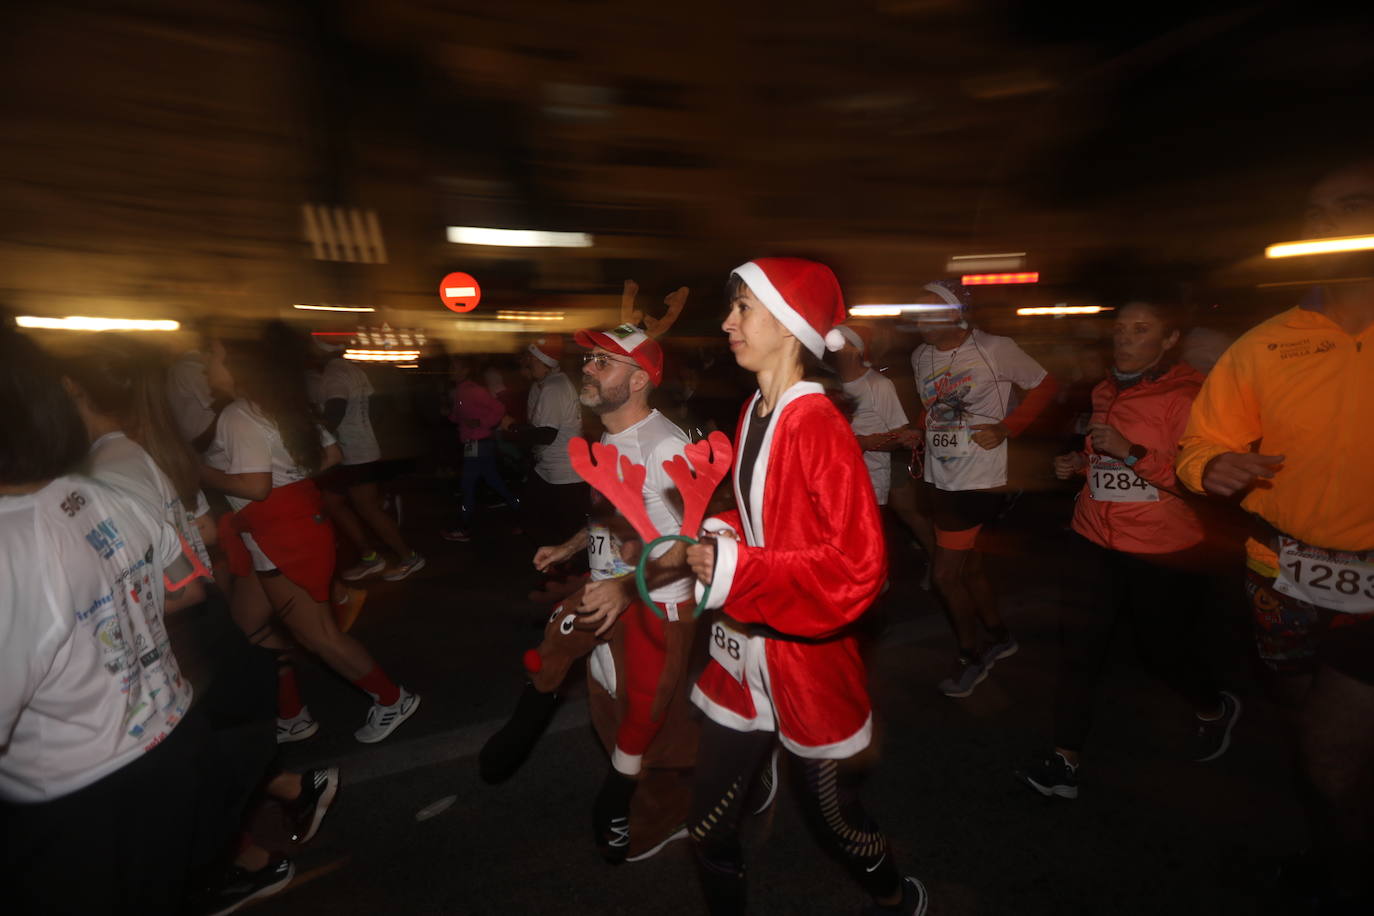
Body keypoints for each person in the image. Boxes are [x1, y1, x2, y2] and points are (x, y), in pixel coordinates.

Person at [61, 338, 340, 913]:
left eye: (217, 358)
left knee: (308, 644)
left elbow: (243, 502)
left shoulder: (120, 463)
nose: (210, 368)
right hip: (252, 560)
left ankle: (255, 843)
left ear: (75, 393)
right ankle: (292, 778)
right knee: (257, 673)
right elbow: (207, 533)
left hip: (206, 608)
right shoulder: (143, 450)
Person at [684, 258, 927, 915]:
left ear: (789, 326)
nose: (727, 321)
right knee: (705, 825)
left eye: (743, 308)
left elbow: (858, 568)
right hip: (742, 652)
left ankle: (895, 895)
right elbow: (771, 518)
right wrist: (721, 537)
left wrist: (736, 569)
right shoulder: (752, 409)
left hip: (805, 663)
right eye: (731, 308)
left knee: (836, 821)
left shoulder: (817, 425)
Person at [1176, 160, 1374, 912]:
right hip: (1278, 573)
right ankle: (1334, 848)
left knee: (1330, 754)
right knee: (1299, 720)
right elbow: (1199, 445)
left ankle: (1348, 880)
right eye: (1315, 212)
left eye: (1350, 206)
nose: (1327, 223)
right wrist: (1214, 463)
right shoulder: (1267, 342)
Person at [1, 329, 213, 913]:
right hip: (169, 744)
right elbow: (187, 585)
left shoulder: (11, 544)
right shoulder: (106, 493)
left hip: (80, 800)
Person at [1015, 301, 1242, 800]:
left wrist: (1131, 453)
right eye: (1120, 329)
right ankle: (1065, 759)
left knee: (1162, 651)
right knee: (1078, 648)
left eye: (1142, 329)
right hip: (1093, 536)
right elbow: (1105, 455)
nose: (1125, 338)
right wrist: (1079, 463)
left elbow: (1198, 478)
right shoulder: (1104, 388)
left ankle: (1212, 707)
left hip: (1160, 547)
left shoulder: (1189, 397)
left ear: (1168, 341)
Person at [201, 325, 420, 745]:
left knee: (318, 635)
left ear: (237, 365)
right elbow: (332, 454)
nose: (206, 365)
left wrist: (199, 471)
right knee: (248, 627)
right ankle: (291, 714)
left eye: (213, 355)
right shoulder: (281, 405)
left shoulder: (239, 415)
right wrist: (295, 480)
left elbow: (255, 487)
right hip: (280, 530)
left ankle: (393, 699)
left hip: (280, 536)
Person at [902, 279, 1058, 697]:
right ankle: (1000, 635)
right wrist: (918, 431)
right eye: (916, 312)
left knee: (945, 575)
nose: (919, 321)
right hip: (939, 475)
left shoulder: (994, 348)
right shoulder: (920, 356)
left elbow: (1045, 384)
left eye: (930, 312)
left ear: (956, 314)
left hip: (979, 479)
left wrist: (1008, 427)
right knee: (969, 567)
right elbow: (932, 406)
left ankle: (972, 655)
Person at [311, 341, 425, 582]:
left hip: (354, 453)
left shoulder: (335, 374)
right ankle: (370, 556)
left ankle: (409, 557)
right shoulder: (353, 370)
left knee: (367, 507)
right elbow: (376, 408)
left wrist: (317, 428)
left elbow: (336, 410)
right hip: (356, 450)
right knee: (332, 502)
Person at [833, 324, 934, 583]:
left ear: (857, 350)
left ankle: (937, 561)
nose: (831, 347)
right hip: (835, 479)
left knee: (905, 513)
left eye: (840, 342)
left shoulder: (880, 384)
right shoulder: (824, 383)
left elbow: (897, 432)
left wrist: (865, 443)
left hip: (872, 476)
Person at [508, 335, 587, 589]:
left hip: (565, 473)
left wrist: (511, 428)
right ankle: (560, 572)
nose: (527, 362)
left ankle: (570, 581)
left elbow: (546, 434)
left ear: (543, 361)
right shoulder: (543, 385)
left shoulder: (554, 388)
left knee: (566, 529)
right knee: (534, 519)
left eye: (531, 359)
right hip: (547, 469)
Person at [441, 355, 519, 543]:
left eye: (455, 366)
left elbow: (499, 408)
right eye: (451, 366)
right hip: (475, 444)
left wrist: (482, 422)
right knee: (493, 482)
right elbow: (461, 416)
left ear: (466, 370)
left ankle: (463, 528)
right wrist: (450, 415)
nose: (451, 370)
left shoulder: (474, 391)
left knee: (468, 486)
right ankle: (523, 513)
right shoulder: (459, 391)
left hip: (478, 444)